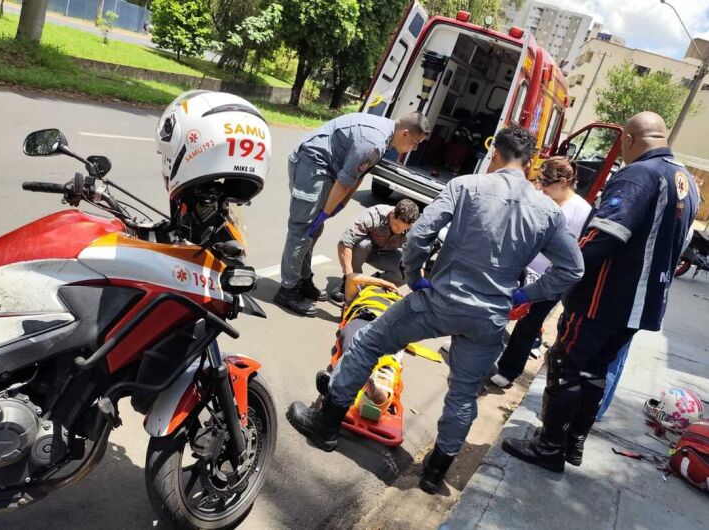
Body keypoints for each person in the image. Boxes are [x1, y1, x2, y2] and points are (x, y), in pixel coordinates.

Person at [286, 125, 585, 495]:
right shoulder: (548, 212)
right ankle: (434, 473)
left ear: (496, 155)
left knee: (367, 345)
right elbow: (573, 269)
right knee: (463, 393)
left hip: (439, 301)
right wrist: (524, 297)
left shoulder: (467, 186)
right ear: (530, 163)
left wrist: (414, 274)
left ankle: (326, 424)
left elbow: (422, 232)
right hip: (490, 316)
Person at [502, 112, 700, 473]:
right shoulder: (688, 181)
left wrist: (563, 271)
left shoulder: (640, 174)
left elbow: (602, 237)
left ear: (627, 139)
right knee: (595, 371)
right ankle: (572, 442)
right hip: (643, 305)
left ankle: (549, 446)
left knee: (566, 365)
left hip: (603, 297)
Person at [275, 112, 430, 317]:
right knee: (302, 228)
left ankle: (302, 279)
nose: (415, 148)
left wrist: (341, 204)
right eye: (415, 142)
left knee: (314, 229)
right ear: (405, 133)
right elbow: (343, 183)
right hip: (312, 162)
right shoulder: (373, 142)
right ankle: (287, 289)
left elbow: (358, 175)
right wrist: (325, 212)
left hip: (328, 168)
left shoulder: (385, 140)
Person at [490, 157, 592, 389]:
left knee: (529, 324)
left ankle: (508, 370)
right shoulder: (540, 199)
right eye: (539, 180)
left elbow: (577, 253)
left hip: (551, 278)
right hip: (521, 266)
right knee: (494, 306)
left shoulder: (583, 211)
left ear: (564, 181)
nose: (540, 186)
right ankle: (471, 348)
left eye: (545, 182)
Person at [329, 198, 420, 304]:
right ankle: (348, 283)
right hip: (366, 250)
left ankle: (370, 286)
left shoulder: (415, 229)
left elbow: (416, 256)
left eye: (403, 229)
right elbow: (345, 243)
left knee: (406, 271)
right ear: (392, 214)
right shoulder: (374, 216)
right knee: (362, 245)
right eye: (397, 225)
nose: (399, 231)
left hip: (387, 253)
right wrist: (349, 275)